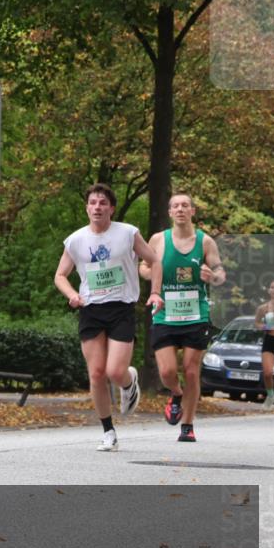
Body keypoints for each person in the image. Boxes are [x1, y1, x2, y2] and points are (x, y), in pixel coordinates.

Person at [54, 183, 164, 452]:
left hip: (121, 308)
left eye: (103, 203)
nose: (97, 207)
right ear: (87, 208)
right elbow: (60, 275)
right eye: (92, 203)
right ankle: (108, 432)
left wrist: (156, 292)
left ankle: (128, 381)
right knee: (96, 374)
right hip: (91, 309)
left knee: (115, 371)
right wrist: (71, 294)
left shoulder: (127, 233)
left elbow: (155, 260)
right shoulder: (76, 240)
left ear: (111, 208)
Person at [139, 193, 225, 442]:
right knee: (167, 371)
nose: (180, 209)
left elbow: (220, 272)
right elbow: (143, 266)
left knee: (190, 370)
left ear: (192, 211)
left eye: (185, 205)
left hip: (196, 314)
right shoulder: (158, 239)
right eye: (175, 206)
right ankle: (176, 394)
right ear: (169, 212)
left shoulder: (205, 241)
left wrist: (213, 276)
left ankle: (187, 425)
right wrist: (150, 275)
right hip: (165, 312)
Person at [255, 278, 274, 409]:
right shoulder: (263, 308)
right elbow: (257, 323)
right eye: (272, 287)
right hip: (269, 339)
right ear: (269, 290)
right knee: (267, 373)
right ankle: (271, 395)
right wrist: (265, 327)